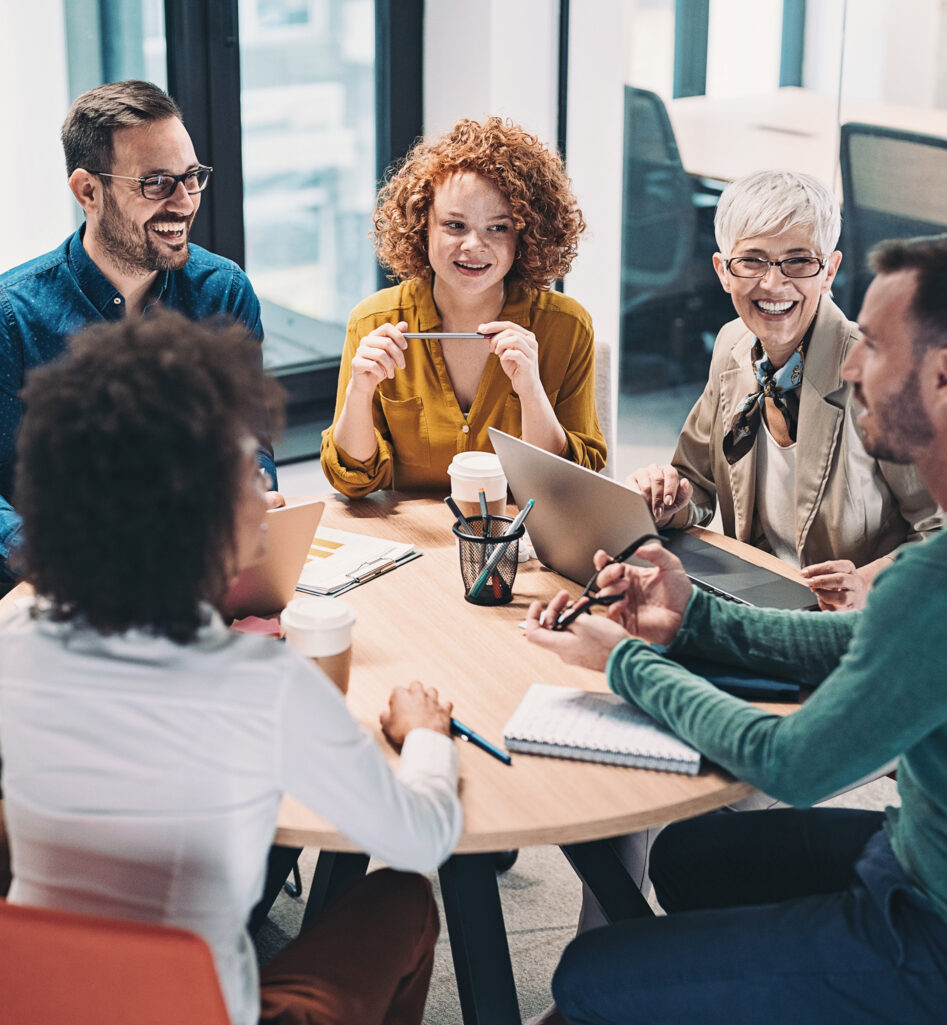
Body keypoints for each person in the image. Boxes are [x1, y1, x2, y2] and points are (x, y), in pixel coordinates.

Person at [526, 234, 947, 1024]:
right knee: (689, 854)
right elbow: (850, 645)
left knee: (589, 975)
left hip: (926, 933)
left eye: (875, 348)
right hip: (912, 851)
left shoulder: (932, 576)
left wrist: (628, 663)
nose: (850, 366)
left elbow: (789, 763)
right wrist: (689, 616)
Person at [0, 311, 463, 1025]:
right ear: (201, 516)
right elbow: (422, 836)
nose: (266, 492)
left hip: (35, 996)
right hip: (200, 1008)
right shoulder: (260, 683)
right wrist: (426, 735)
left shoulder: (13, 636)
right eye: (247, 470)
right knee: (402, 896)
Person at [0, 79, 281, 584]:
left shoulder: (224, 291)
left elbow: (249, 441)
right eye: (156, 182)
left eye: (191, 177)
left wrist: (252, 491)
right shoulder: (11, 316)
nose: (184, 203)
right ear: (89, 191)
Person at [628, 170, 942, 612]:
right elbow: (696, 484)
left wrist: (871, 584)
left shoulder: (882, 376)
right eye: (752, 260)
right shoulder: (732, 345)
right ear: (723, 271)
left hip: (852, 625)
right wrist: (665, 500)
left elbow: (939, 530)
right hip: (753, 602)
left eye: (798, 261)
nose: (774, 284)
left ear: (829, 270)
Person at [320, 117, 606, 497]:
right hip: (414, 545)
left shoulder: (567, 327)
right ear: (422, 226)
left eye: (498, 227)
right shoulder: (373, 322)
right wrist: (359, 392)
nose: (473, 245)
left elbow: (570, 485)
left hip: (520, 544)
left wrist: (531, 390)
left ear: (526, 234)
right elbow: (353, 480)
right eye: (454, 225)